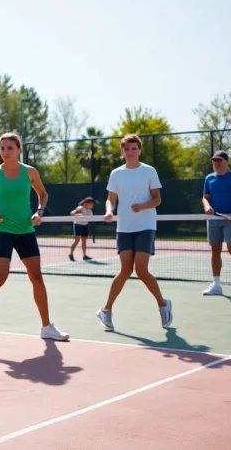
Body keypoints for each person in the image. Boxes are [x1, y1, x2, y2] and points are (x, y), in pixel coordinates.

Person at [0, 132, 69, 345]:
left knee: (36, 277)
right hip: (2, 230)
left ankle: (47, 327)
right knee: (0, 277)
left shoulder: (30, 172)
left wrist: (39, 212)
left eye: (10, 148)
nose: (5, 151)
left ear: (19, 149)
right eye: (2, 148)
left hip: (26, 230)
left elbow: (43, 194)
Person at [96, 134, 172, 332]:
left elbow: (158, 199)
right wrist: (109, 210)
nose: (130, 152)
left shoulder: (149, 171)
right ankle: (106, 310)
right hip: (124, 228)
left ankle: (163, 305)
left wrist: (143, 206)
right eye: (126, 149)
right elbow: (110, 199)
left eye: (134, 148)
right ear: (122, 152)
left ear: (139, 150)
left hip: (146, 225)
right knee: (125, 270)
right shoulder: (116, 174)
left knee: (141, 270)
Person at [201, 150, 231, 296]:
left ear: (226, 161)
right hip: (214, 219)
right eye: (214, 161)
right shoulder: (209, 178)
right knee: (215, 250)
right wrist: (207, 206)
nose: (217, 163)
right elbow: (205, 197)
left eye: (219, 160)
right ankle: (216, 284)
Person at [68, 197, 95, 261]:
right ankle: (71, 254)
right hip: (77, 225)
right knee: (77, 240)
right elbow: (72, 213)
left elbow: (91, 219)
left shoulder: (90, 211)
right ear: (86, 203)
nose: (92, 205)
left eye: (92, 204)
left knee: (84, 241)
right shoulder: (81, 208)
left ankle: (84, 255)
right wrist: (80, 215)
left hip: (84, 226)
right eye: (90, 203)